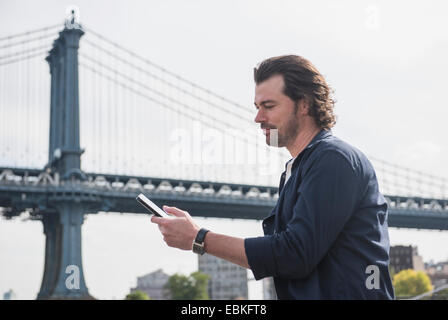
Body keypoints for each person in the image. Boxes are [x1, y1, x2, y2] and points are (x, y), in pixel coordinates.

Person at [151, 55, 395, 300]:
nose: (258, 118)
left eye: (269, 106)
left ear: (304, 104)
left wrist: (199, 238)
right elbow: (283, 256)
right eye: (257, 108)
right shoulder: (297, 169)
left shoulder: (334, 159)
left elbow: (295, 254)